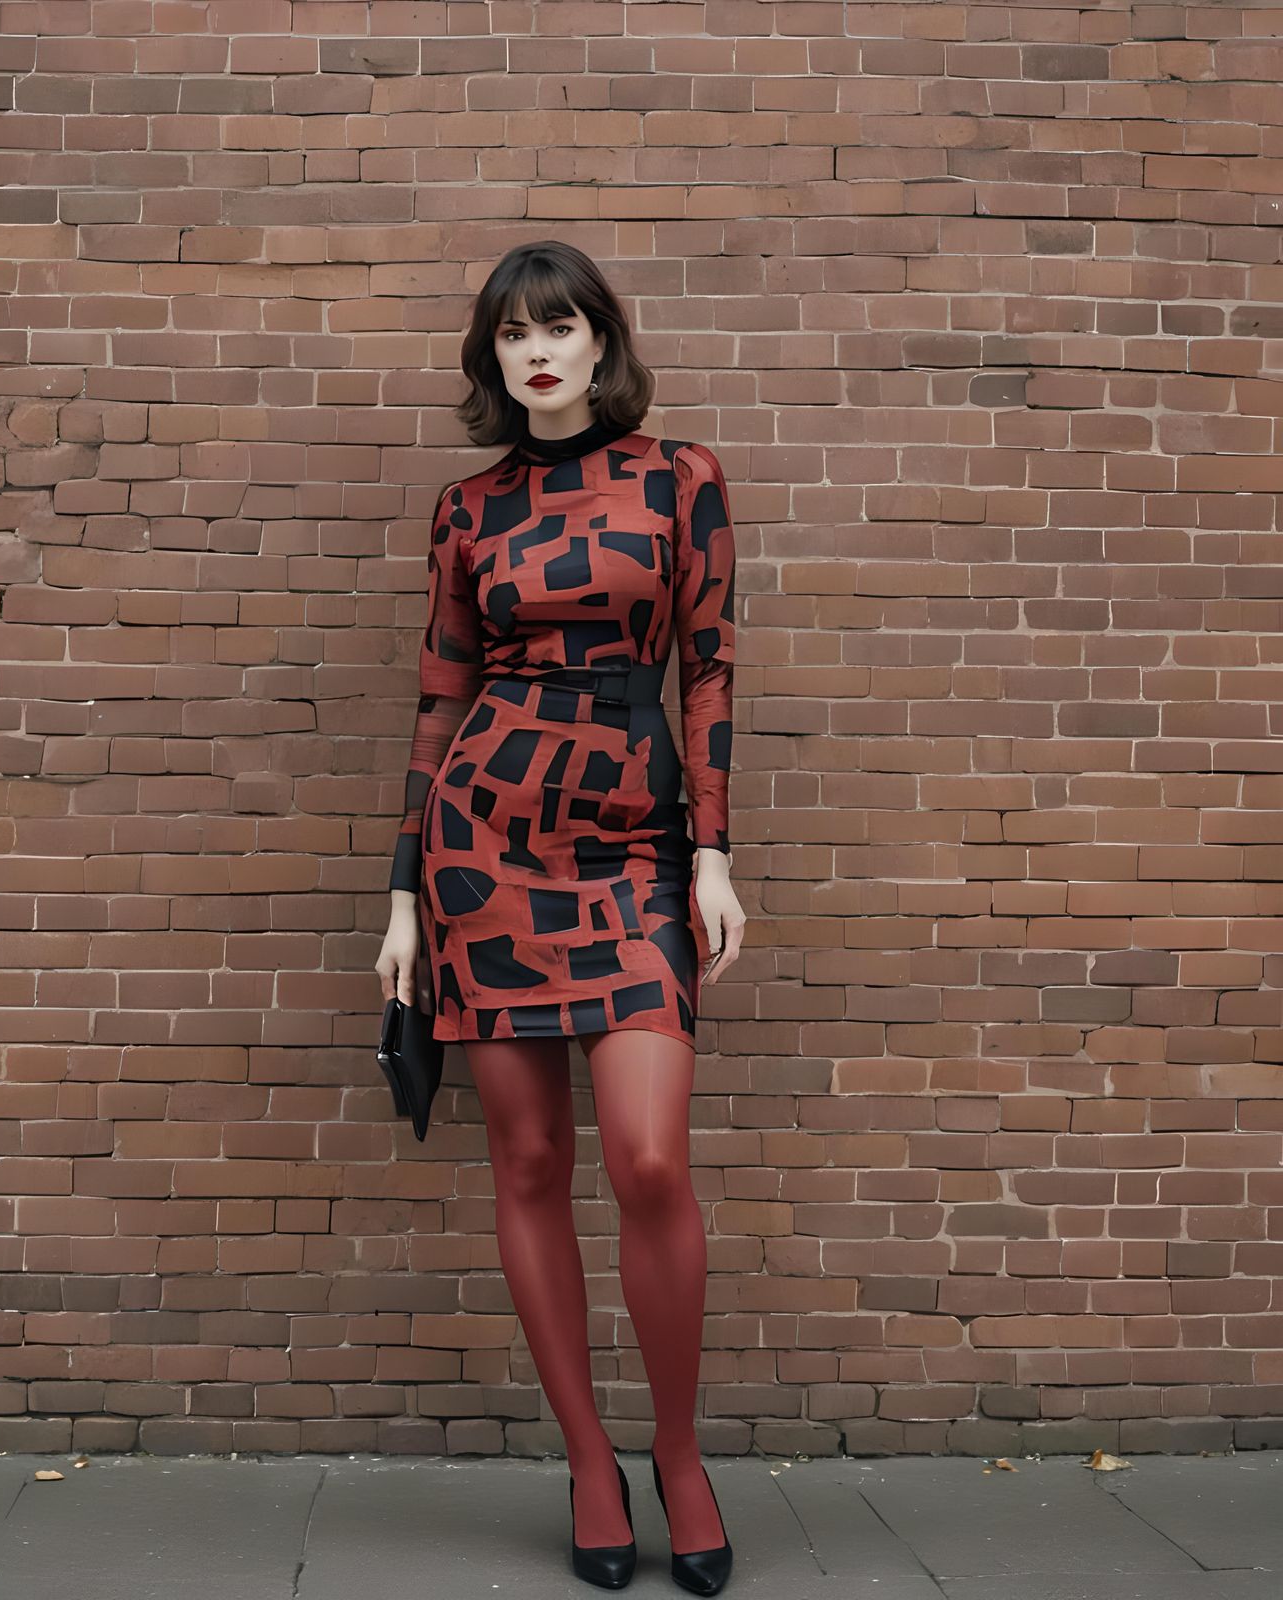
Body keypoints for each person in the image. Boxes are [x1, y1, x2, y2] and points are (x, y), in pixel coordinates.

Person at [375, 240, 744, 1595]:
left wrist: (712, 853)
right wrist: (404, 892)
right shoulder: (467, 509)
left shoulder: (682, 477)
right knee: (528, 1161)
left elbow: (709, 673)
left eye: (562, 326)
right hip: (485, 846)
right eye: (514, 333)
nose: (539, 351)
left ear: (602, 341)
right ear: (492, 356)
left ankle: (680, 1456)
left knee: (647, 1159)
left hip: (634, 846)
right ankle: (591, 1461)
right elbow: (439, 697)